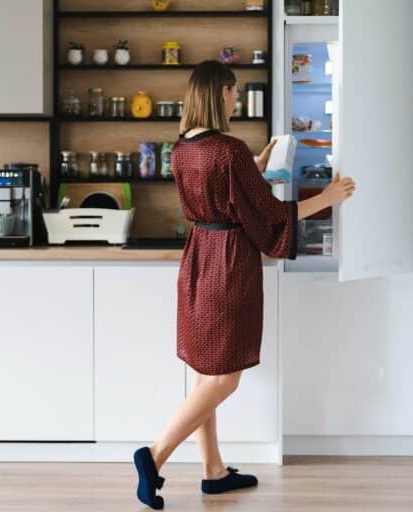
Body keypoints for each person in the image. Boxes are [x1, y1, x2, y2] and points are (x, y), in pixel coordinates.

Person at [132, 60, 356, 510]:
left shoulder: (182, 149)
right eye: (233, 92)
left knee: (203, 373)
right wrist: (328, 198)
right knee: (225, 379)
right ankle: (153, 456)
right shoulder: (228, 149)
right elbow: (270, 217)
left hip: (197, 259)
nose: (236, 99)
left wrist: (253, 168)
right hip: (229, 266)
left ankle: (213, 472)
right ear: (221, 94)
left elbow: (217, 191)